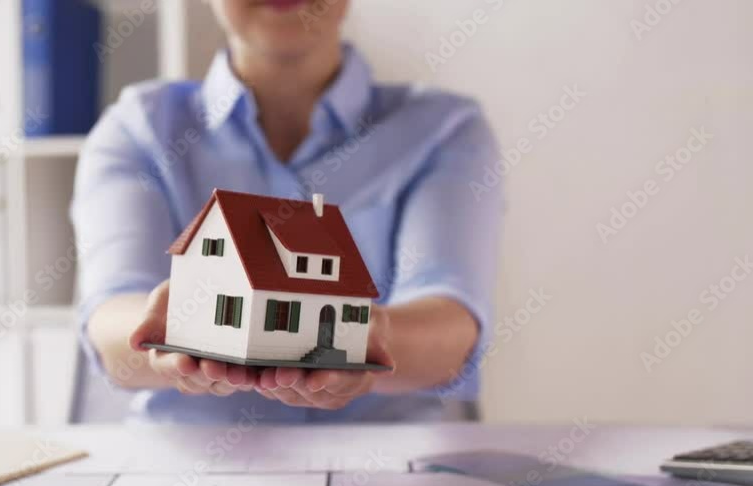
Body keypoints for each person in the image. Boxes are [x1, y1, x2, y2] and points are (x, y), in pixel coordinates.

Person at [71, 0, 503, 423]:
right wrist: (171, 333)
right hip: (189, 467)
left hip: (386, 464)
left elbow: (452, 326)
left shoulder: (443, 129)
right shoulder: (136, 129)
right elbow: (110, 315)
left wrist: (367, 339)